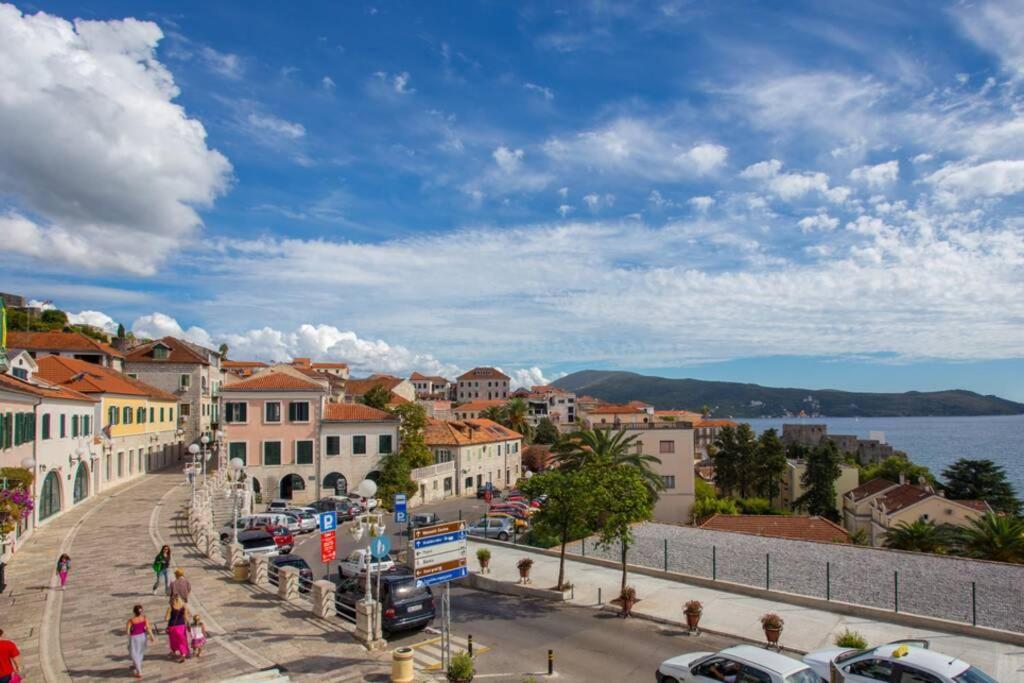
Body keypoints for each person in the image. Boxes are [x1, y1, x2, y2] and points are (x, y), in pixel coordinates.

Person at [126, 604, 155, 678]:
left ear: (134, 612)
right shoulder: (144, 618)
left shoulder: (131, 620)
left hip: (134, 638)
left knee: (133, 653)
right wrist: (152, 636)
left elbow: (127, 631)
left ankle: (139, 671)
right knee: (140, 652)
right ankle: (135, 664)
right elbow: (148, 628)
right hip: (143, 637)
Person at [164, 597, 190, 663]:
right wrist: (188, 624)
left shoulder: (170, 608)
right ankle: (183, 654)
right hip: (181, 626)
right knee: (182, 641)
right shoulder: (184, 607)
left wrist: (169, 615)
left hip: (172, 626)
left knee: (173, 640)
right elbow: (186, 617)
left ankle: (174, 651)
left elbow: (166, 619)